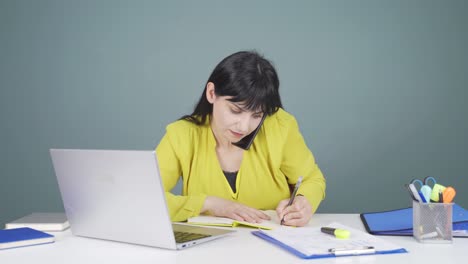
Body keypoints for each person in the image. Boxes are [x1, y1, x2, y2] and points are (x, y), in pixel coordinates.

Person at [156, 51, 325, 227]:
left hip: (274, 247)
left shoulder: (280, 126)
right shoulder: (181, 135)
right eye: (235, 111)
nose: (244, 127)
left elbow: (312, 179)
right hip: (206, 250)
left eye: (257, 115)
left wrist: (303, 202)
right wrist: (209, 204)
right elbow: (145, 197)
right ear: (212, 93)